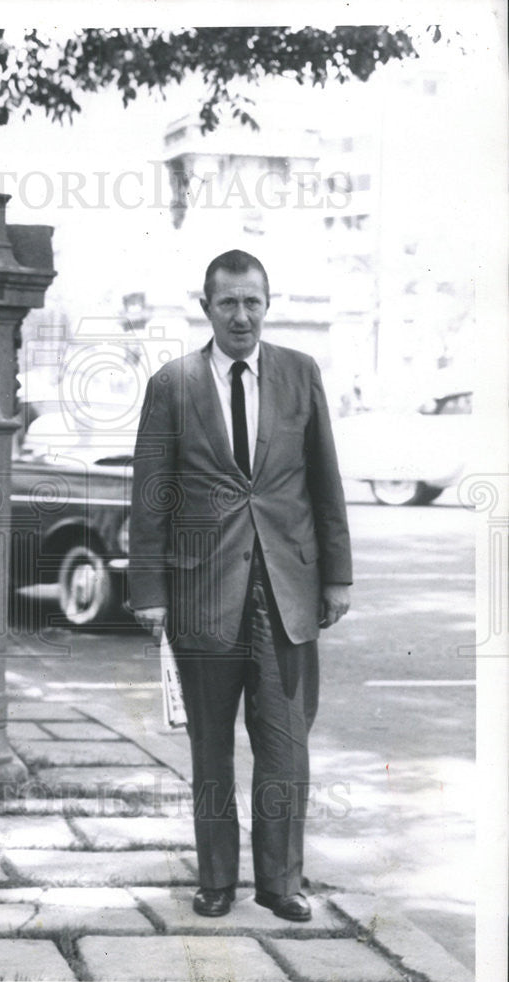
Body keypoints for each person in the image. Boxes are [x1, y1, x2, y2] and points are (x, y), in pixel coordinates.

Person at [129, 249, 352, 921]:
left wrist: (337, 576)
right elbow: (151, 495)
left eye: (252, 301)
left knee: (285, 743)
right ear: (206, 308)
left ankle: (282, 883)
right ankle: (216, 880)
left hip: (286, 593)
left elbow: (325, 483)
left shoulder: (300, 375)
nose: (241, 314)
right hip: (202, 592)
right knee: (210, 748)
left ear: (268, 303)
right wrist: (148, 590)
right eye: (227, 302)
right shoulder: (174, 384)